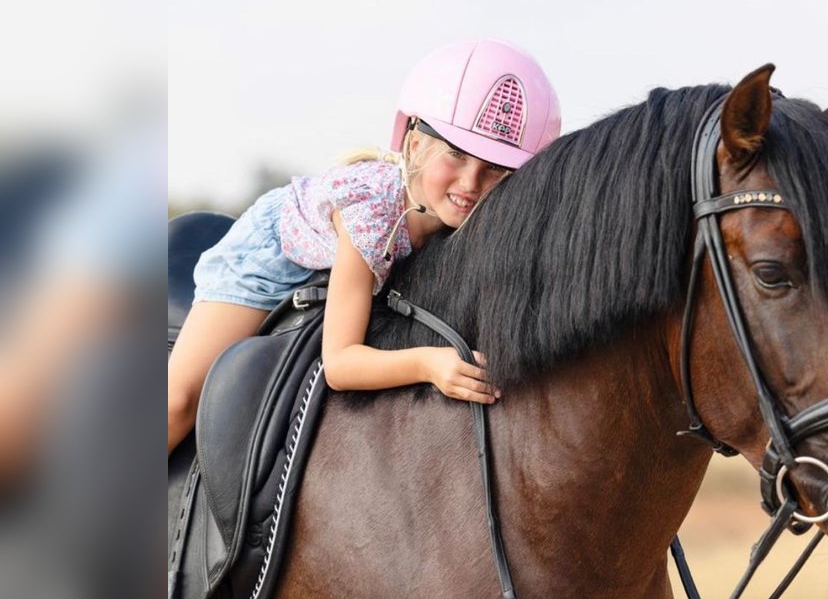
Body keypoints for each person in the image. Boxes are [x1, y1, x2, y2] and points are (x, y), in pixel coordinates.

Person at [167, 39, 561, 455]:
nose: (470, 184)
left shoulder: (470, 217)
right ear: (413, 144)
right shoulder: (373, 218)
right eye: (457, 155)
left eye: (496, 169)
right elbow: (339, 364)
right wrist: (431, 363)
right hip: (270, 260)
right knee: (179, 401)